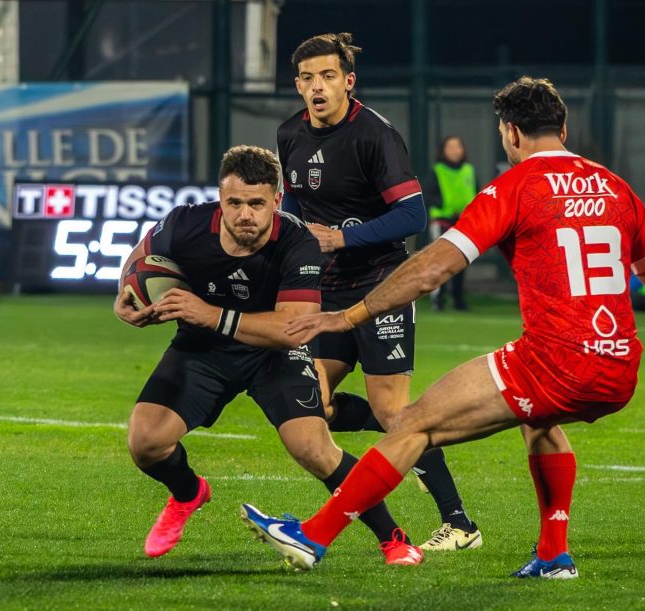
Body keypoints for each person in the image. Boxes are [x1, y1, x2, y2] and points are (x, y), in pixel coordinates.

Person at [241, 76, 645, 579]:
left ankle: (312, 535)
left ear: (512, 134)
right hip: (619, 366)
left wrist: (349, 315)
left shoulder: (515, 186)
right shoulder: (617, 187)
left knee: (412, 424)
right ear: (562, 127)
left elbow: (432, 269)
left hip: (554, 361)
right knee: (539, 420)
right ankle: (552, 555)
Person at [114, 145, 422, 564]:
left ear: (276, 201)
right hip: (203, 348)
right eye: (234, 203)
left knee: (312, 447)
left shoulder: (297, 241)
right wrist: (126, 296)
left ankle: (393, 537)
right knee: (145, 441)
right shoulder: (185, 222)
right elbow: (139, 259)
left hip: (275, 352)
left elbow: (294, 327)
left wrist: (211, 314)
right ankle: (189, 493)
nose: (245, 214)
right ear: (220, 198)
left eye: (257, 204)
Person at [277, 32, 481, 553]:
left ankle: (460, 523)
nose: (317, 87)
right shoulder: (289, 136)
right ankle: (408, 440)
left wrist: (342, 237)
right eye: (307, 78)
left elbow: (412, 215)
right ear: (297, 85)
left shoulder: (374, 136)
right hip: (329, 295)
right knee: (312, 405)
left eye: (327, 76)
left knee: (395, 413)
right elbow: (299, 211)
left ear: (348, 81)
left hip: (381, 288)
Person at [426, 136, 478, 311]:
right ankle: (438, 300)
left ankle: (459, 299)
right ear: (443, 150)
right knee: (440, 262)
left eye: (457, 146)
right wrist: (444, 205)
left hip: (464, 222)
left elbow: (477, 193)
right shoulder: (437, 171)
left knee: (461, 261)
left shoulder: (469, 170)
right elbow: (428, 195)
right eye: (450, 147)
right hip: (442, 221)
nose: (454, 150)